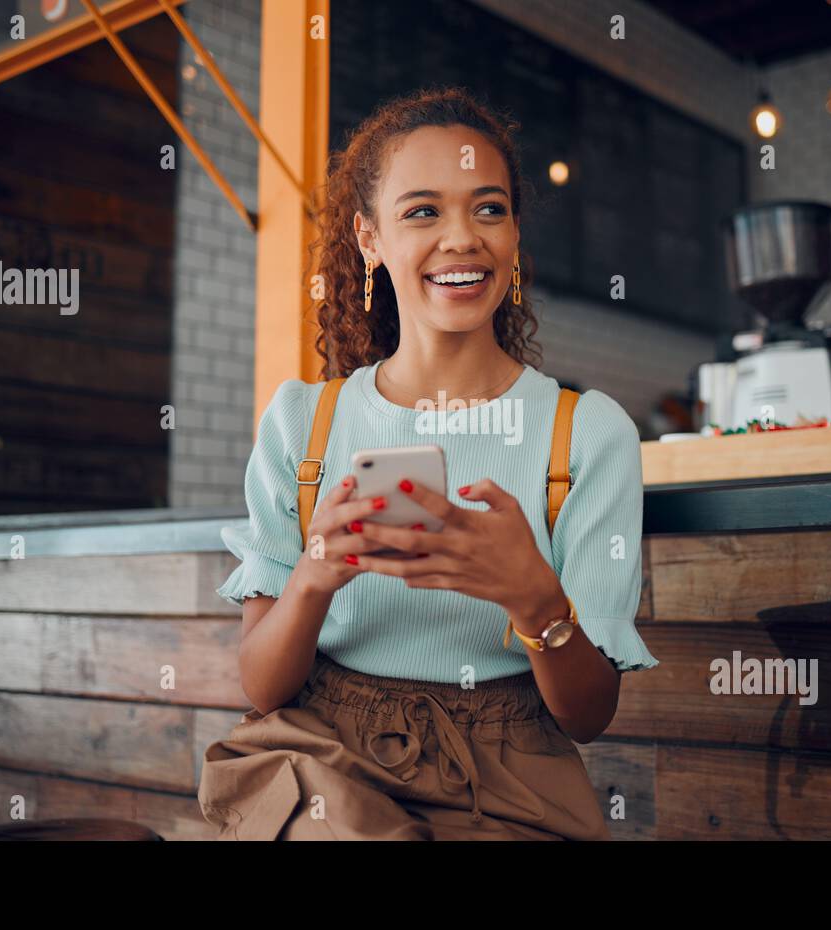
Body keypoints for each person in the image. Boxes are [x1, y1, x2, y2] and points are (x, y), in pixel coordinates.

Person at [198, 86, 659, 841]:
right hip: (327, 763)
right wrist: (315, 576)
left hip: (512, 785)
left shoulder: (586, 434)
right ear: (368, 239)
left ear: (513, 236)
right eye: (422, 211)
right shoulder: (301, 424)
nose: (462, 238)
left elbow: (587, 719)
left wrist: (537, 602)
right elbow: (262, 684)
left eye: (488, 208)